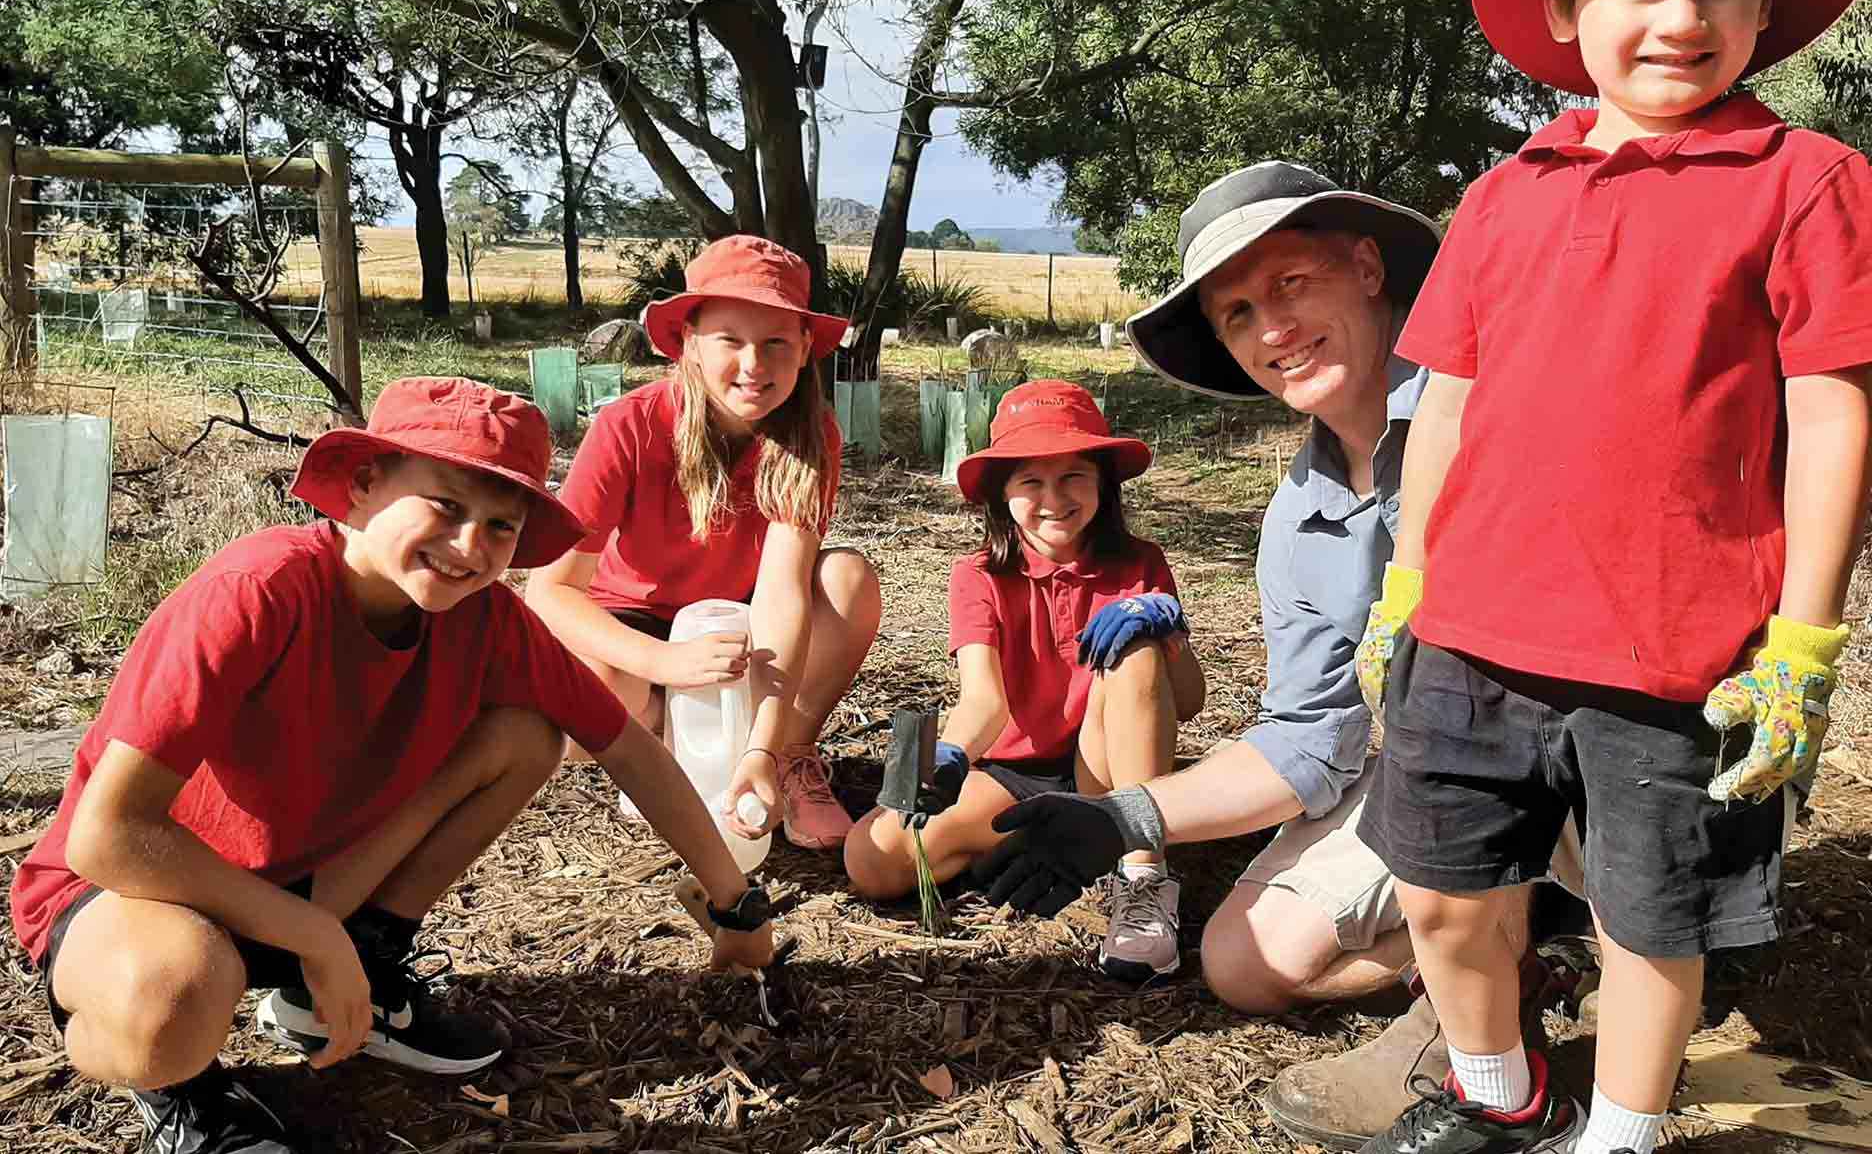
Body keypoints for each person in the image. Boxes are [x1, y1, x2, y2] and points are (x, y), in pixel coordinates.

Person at [1351, 0, 1872, 1153]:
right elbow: (1446, 407)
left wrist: (1806, 640)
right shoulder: (1502, 193)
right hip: (1470, 629)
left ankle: (1622, 1133)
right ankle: (1497, 1093)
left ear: (1765, 11)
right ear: (1566, 8)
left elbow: (1830, 418)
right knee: (1445, 899)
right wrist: (1404, 583)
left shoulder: (1807, 179)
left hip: (1679, 650)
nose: (1680, 18)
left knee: (1655, 917)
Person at [972, 162, 1584, 1148]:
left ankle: (1477, 1011)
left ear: (1367, 267)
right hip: (1423, 771)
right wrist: (1123, 812)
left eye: (1292, 284)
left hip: (1570, 752)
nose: (1273, 330)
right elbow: (1314, 737)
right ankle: (1530, 938)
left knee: (1474, 736)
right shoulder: (1296, 521)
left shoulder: (1487, 413)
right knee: (1241, 965)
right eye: (1239, 312)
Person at [9, 378, 777, 1154]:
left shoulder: (487, 619)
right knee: (173, 1002)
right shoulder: (260, 591)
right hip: (137, 894)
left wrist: (733, 904)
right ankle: (175, 1087)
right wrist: (311, 933)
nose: (471, 547)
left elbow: (629, 751)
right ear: (366, 482)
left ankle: (358, 974)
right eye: (446, 506)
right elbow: (107, 837)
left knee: (522, 736)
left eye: (501, 527)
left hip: (300, 885)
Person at [526, 235, 882, 852]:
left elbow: (781, 591)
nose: (754, 365)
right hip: (634, 624)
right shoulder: (629, 426)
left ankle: (787, 757)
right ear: (689, 343)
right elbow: (550, 591)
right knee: (584, 701)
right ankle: (655, 745)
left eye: (776, 342)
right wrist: (659, 662)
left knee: (847, 578)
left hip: (736, 624)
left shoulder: (810, 432)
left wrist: (762, 746)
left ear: (804, 347)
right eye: (730, 340)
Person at [844, 379, 1206, 980]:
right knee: (873, 860)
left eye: (1073, 477)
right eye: (1030, 482)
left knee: (1135, 646)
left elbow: (1188, 702)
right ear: (1002, 495)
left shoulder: (1139, 563)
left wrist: (1166, 632)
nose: (1053, 499)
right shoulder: (978, 575)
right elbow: (984, 700)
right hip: (1013, 773)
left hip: (1109, 764)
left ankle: (1142, 874)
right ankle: (1037, 843)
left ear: (1102, 484)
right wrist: (952, 753)